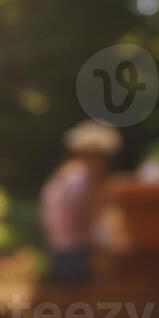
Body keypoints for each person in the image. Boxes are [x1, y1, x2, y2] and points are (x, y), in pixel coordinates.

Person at [40, 121, 122, 284]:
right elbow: (76, 213)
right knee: (75, 289)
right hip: (73, 246)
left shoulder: (76, 175)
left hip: (70, 243)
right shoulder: (78, 178)